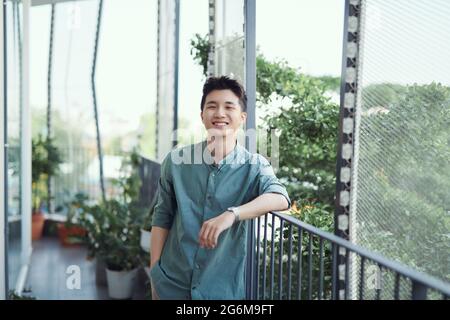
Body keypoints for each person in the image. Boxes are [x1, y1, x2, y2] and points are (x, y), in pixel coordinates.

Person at [149, 76, 290, 300]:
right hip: (171, 284)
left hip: (222, 291)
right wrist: (155, 274)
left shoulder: (254, 165)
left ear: (242, 117)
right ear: (202, 115)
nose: (219, 113)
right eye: (212, 106)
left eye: (229, 107)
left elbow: (280, 197)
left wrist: (232, 214)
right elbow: (162, 216)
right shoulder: (175, 162)